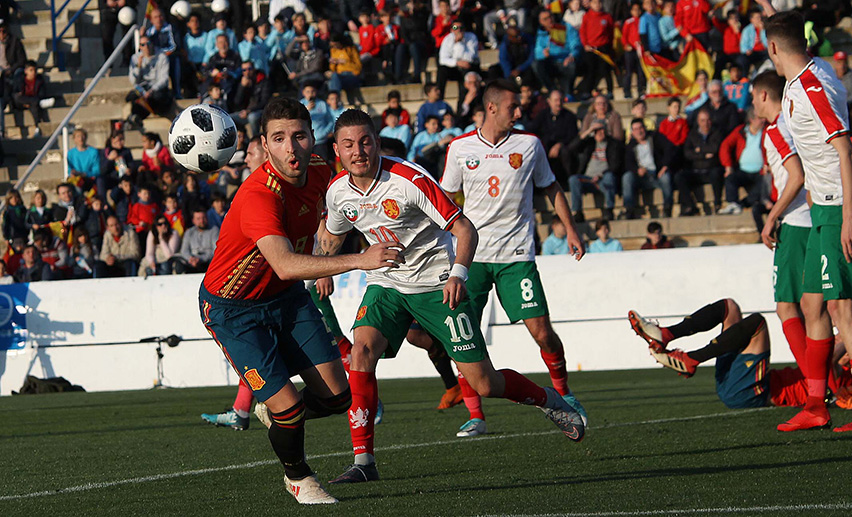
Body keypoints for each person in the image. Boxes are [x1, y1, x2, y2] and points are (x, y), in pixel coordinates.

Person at [321, 108, 586, 483]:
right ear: (337, 149)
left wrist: (458, 273)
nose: (358, 151)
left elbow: (465, 229)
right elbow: (330, 234)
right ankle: (364, 463)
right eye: (348, 144)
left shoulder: (409, 179)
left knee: (484, 383)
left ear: (377, 142)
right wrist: (320, 266)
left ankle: (549, 400)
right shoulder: (337, 192)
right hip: (388, 284)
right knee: (361, 352)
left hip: (438, 283)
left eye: (365, 141)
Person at [198, 98, 404, 503]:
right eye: (279, 139)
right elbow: (286, 264)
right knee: (290, 409)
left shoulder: (321, 171)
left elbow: (360, 179)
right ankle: (299, 477)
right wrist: (358, 260)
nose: (290, 148)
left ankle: (276, 415)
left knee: (337, 397)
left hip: (286, 300)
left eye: (298, 136)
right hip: (233, 310)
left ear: (314, 139)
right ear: (264, 144)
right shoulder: (260, 195)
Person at [441, 79, 587, 438]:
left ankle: (564, 394)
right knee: (461, 336)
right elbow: (445, 200)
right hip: (472, 258)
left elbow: (550, 187)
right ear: (491, 108)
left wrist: (571, 229)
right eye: (512, 107)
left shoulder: (530, 144)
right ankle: (477, 415)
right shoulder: (459, 149)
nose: (519, 112)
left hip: (516, 255)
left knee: (542, 333)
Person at [761, 4, 852, 432]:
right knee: (811, 304)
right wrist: (769, 11)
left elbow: (844, 150)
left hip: (838, 206)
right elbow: (785, 30)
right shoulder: (809, 67)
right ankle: (815, 403)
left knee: (841, 308)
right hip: (824, 203)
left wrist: (847, 219)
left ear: (772, 48)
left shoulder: (809, 90)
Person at [628, 299, 852, 410]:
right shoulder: (840, 368)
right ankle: (666, 334)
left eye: (843, 340)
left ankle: (691, 359)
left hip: (752, 391)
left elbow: (828, 356)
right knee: (728, 308)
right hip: (739, 379)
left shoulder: (846, 380)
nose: (839, 337)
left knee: (757, 322)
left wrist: (848, 343)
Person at [752, 70, 812, 383]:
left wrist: (772, 217)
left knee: (786, 307)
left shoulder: (775, 130)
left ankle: (816, 382)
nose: (752, 103)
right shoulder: (796, 121)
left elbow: (796, 175)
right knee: (813, 308)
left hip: (796, 222)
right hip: (813, 218)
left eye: (753, 96)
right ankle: (825, 380)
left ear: (764, 95)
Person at [564, 120, 622, 222]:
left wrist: (600, 175)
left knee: (609, 176)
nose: (601, 133)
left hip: (603, 179)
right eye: (597, 131)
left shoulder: (613, 144)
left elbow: (615, 165)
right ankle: (578, 212)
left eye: (602, 130)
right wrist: (589, 131)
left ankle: (609, 209)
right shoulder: (589, 143)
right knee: (573, 179)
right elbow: (571, 148)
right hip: (588, 179)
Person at [623, 118, 675, 219]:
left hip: (657, 174)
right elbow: (627, 163)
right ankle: (629, 209)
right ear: (632, 132)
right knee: (627, 177)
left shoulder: (655, 138)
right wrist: (637, 170)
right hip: (641, 176)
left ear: (645, 128)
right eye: (635, 129)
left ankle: (667, 208)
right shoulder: (630, 146)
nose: (639, 131)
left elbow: (670, 148)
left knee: (666, 177)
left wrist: (664, 166)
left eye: (640, 128)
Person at [718, 109, 767, 215]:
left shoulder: (767, 131)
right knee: (730, 178)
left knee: (763, 185)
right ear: (751, 120)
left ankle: (742, 204)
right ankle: (732, 203)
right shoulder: (741, 131)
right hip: (743, 170)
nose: (763, 120)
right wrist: (728, 165)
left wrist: (767, 164)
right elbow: (725, 145)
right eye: (760, 118)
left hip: (761, 171)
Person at [678, 108, 724, 216]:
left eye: (708, 120)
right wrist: (704, 154)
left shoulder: (717, 132)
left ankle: (717, 204)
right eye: (703, 120)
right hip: (696, 170)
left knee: (717, 173)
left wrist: (698, 150)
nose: (706, 123)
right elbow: (687, 153)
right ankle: (690, 206)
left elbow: (715, 148)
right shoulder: (692, 134)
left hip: (711, 169)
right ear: (698, 121)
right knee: (679, 177)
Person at [527, 90, 578, 184]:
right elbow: (533, 130)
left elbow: (572, 136)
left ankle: (568, 182)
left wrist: (559, 145)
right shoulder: (542, 115)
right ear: (549, 101)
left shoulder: (570, 116)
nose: (558, 103)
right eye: (556, 100)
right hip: (544, 147)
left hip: (563, 148)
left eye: (560, 100)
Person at [125, 34, 172, 131]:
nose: (146, 47)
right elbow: (134, 81)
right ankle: (135, 117)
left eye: (148, 43)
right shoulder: (135, 58)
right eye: (142, 45)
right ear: (139, 47)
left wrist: (151, 91)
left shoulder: (161, 57)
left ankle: (135, 117)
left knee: (157, 97)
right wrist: (138, 66)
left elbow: (164, 79)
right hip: (143, 89)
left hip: (157, 89)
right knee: (131, 96)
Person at [532, 10, 580, 99]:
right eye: (545, 19)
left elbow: (575, 44)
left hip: (564, 60)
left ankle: (568, 93)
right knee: (536, 65)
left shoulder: (565, 27)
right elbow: (537, 51)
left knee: (571, 65)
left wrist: (572, 56)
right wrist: (543, 54)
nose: (549, 20)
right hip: (550, 63)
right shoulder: (541, 34)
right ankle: (552, 91)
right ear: (541, 22)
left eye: (550, 17)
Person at [437, 21, 480, 102]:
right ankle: (439, 100)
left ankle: (463, 107)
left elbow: (469, 58)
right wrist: (456, 62)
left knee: (467, 77)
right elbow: (442, 59)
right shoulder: (447, 39)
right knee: (442, 71)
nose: (458, 30)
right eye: (455, 28)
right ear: (451, 30)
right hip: (455, 67)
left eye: (461, 28)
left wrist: (459, 43)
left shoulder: (471, 37)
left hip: (469, 67)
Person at [9, 60, 50, 137]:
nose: (33, 72)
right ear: (26, 71)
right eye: (31, 70)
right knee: (18, 97)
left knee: (34, 103)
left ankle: (37, 127)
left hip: (33, 102)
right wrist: (25, 103)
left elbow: (41, 94)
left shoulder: (39, 80)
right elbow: (15, 93)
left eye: (34, 70)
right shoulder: (19, 79)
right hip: (21, 103)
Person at [230, 61, 270, 139]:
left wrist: (249, 110)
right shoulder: (241, 81)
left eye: (249, 69)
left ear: (254, 69)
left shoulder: (263, 80)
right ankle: (245, 140)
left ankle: (255, 139)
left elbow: (264, 101)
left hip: (260, 111)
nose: (247, 72)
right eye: (244, 70)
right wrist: (242, 87)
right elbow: (237, 102)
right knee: (230, 119)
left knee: (252, 117)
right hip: (245, 112)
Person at [832, 51, 852, 134]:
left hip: (850, 104)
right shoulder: (830, 76)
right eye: (839, 63)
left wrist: (845, 102)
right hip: (836, 105)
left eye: (844, 62)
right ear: (835, 64)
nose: (842, 66)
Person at [178, 208, 218, 273]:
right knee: (179, 265)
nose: (202, 221)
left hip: (207, 261)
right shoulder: (189, 232)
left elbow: (216, 250)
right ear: (193, 220)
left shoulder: (214, 230)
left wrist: (201, 259)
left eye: (203, 218)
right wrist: (190, 258)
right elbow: (184, 251)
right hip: (192, 261)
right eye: (198, 219)